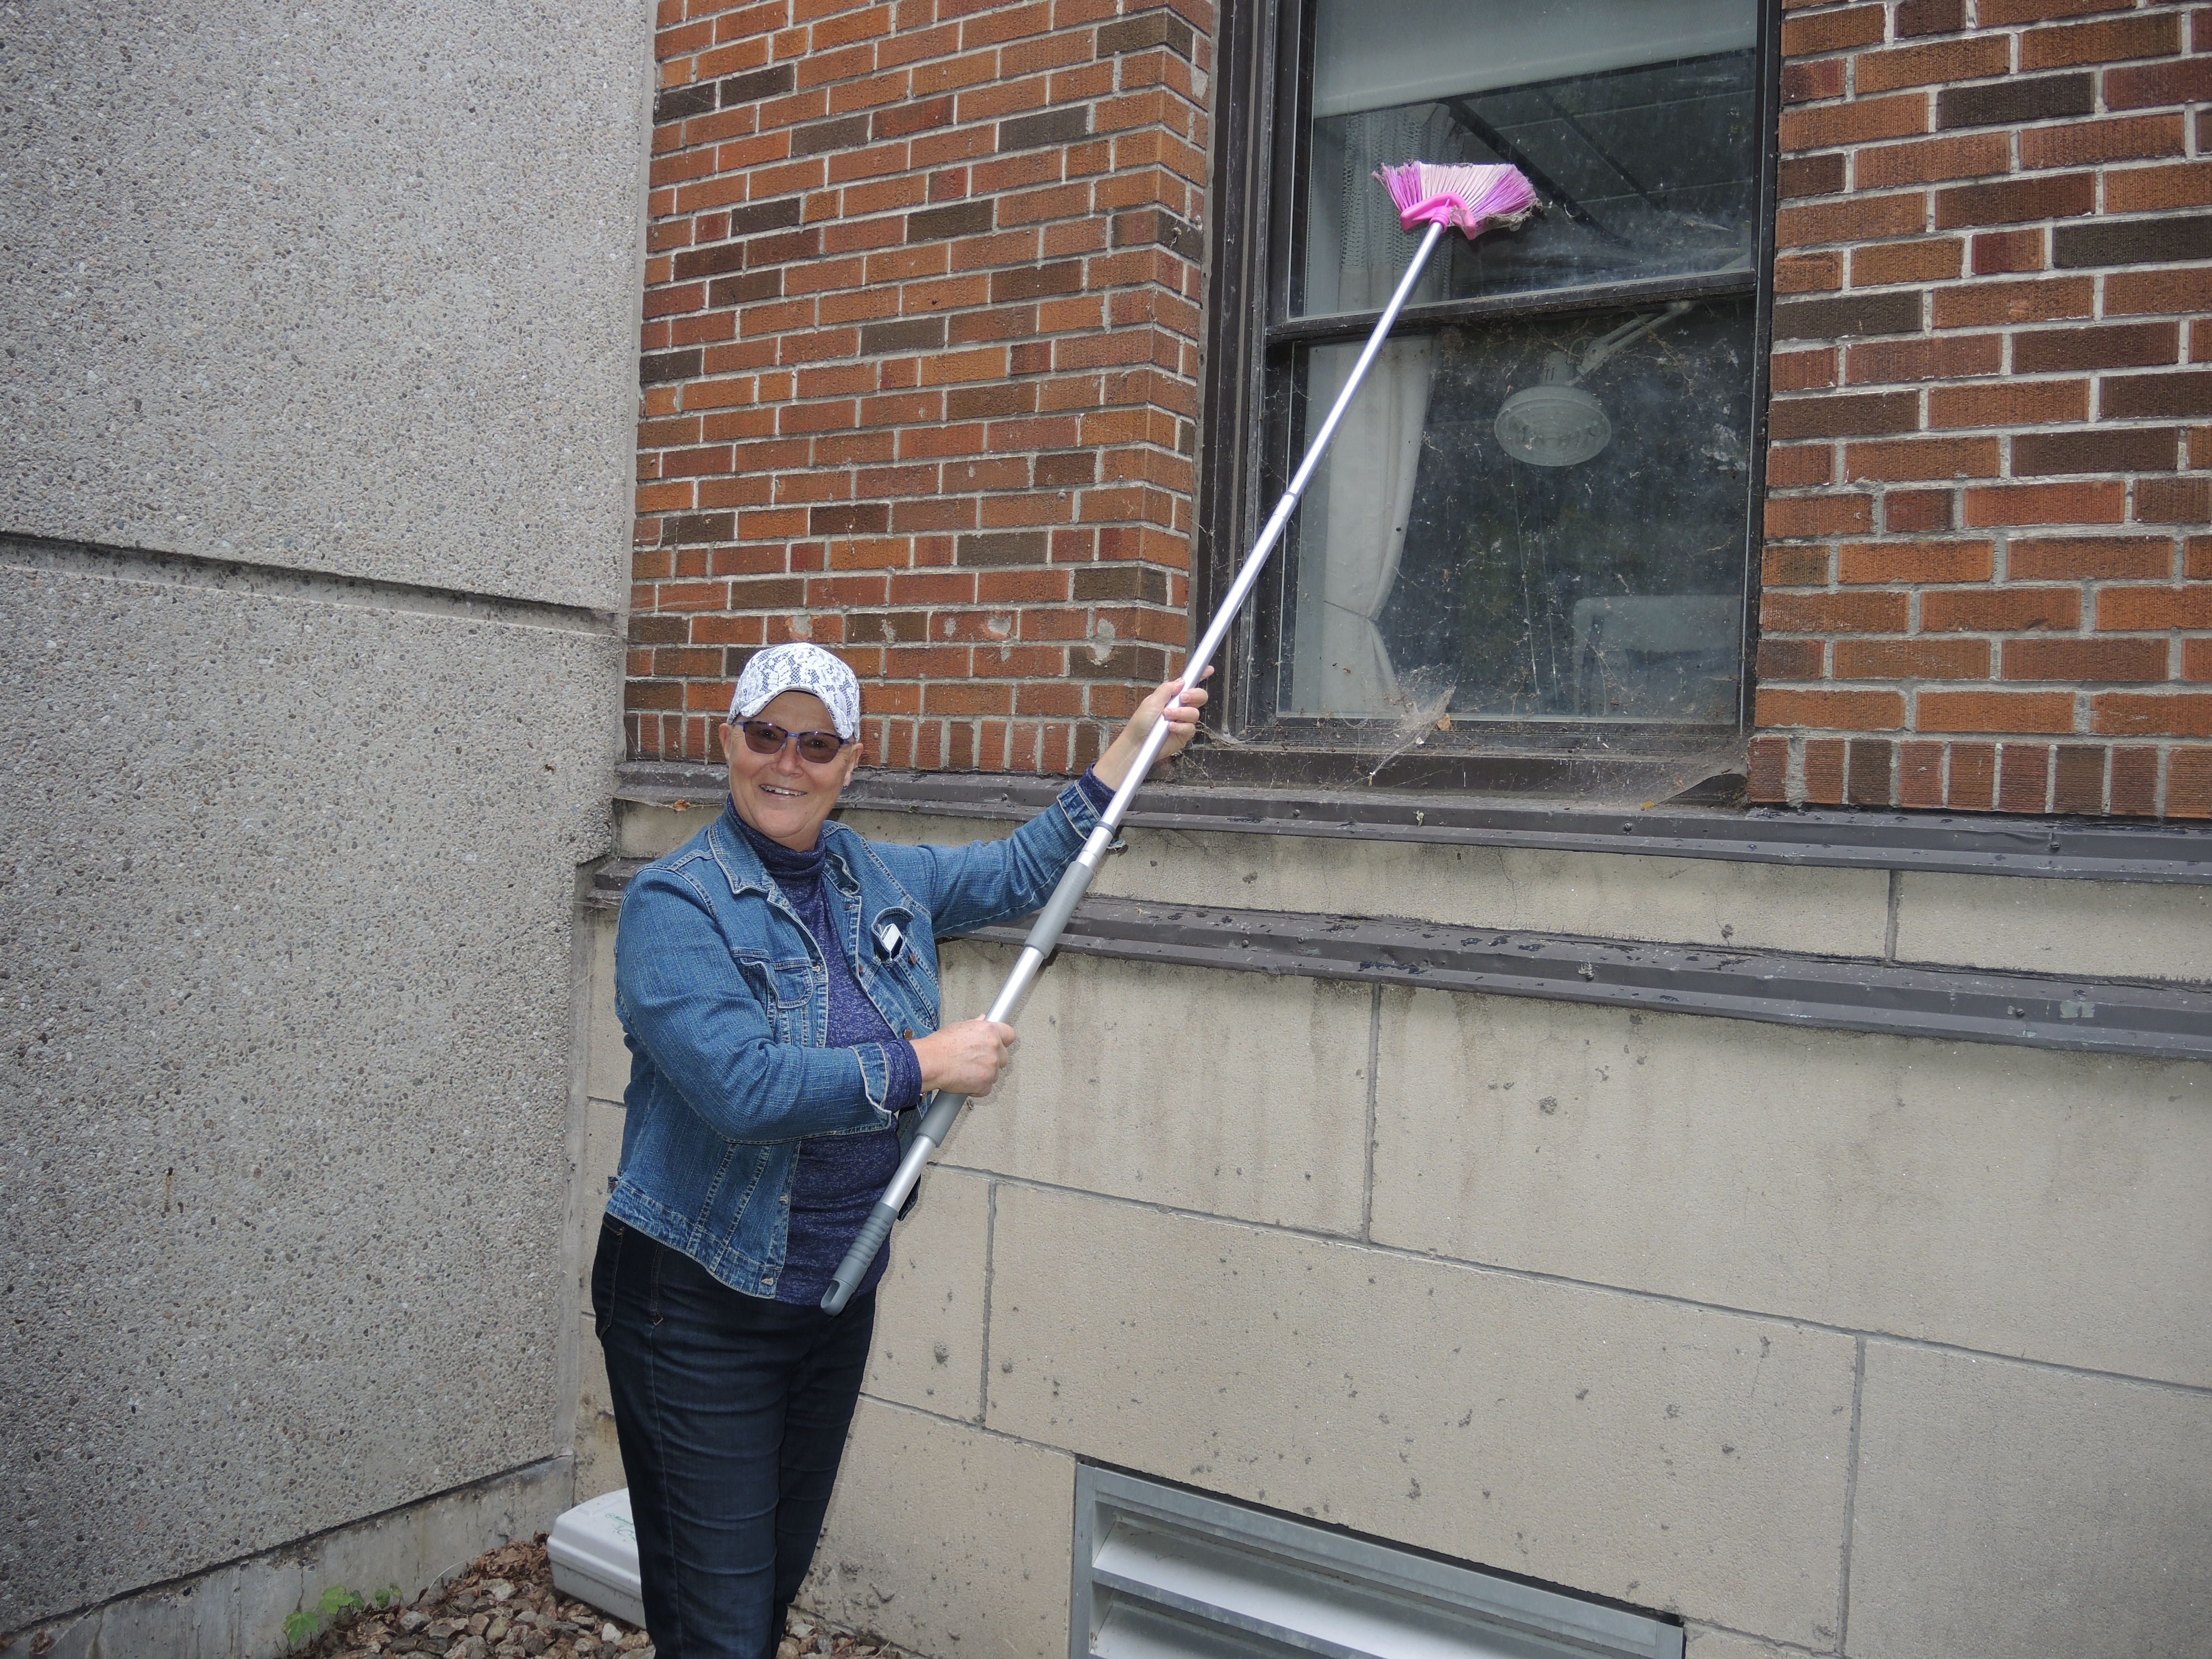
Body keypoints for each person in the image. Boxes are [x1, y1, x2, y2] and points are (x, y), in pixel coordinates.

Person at [594, 640, 1207, 1659]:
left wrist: (1124, 751)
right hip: (694, 1307)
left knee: (767, 1586)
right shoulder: (676, 904)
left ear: (850, 762)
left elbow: (1015, 869)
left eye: (817, 743)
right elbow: (742, 1087)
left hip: (828, 1295)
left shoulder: (871, 874)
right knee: (721, 1623)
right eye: (767, 735)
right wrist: (923, 1062)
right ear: (729, 742)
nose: (787, 763)